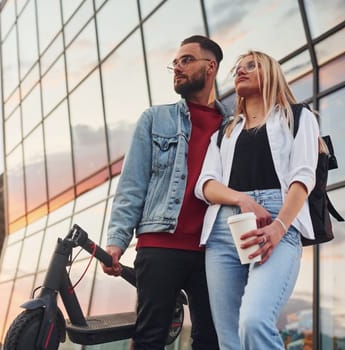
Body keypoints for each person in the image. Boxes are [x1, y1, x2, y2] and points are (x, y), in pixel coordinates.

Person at [102, 35, 229, 349]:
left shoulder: (233, 125)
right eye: (175, 62)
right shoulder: (155, 119)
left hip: (213, 249)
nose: (177, 68)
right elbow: (132, 184)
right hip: (160, 245)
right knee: (149, 338)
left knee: (210, 340)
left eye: (186, 60)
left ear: (210, 66)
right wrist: (117, 241)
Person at [194, 50, 320, 349]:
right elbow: (206, 185)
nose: (241, 70)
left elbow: (303, 178)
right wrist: (241, 200)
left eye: (251, 66)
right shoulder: (225, 132)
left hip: (278, 222)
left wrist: (278, 227)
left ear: (271, 73)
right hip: (224, 231)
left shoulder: (298, 116)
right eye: (238, 67)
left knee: (254, 320)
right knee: (229, 341)